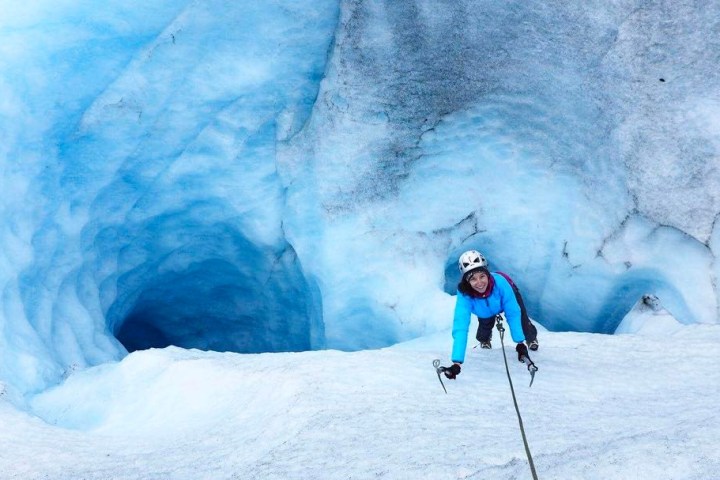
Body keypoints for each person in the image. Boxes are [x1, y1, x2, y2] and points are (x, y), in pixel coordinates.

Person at [444, 250, 539, 380]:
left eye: (482, 276)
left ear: (488, 274)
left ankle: (530, 338)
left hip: (506, 297)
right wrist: (457, 362)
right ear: (467, 282)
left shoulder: (501, 284)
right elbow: (461, 325)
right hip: (483, 309)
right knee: (484, 326)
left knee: (522, 322)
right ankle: (485, 340)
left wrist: (519, 342)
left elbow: (513, 313)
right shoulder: (465, 294)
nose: (479, 282)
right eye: (473, 279)